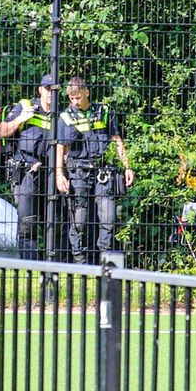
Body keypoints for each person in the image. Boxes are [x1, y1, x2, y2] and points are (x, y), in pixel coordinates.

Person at [56, 76, 133, 263]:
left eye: (78, 97)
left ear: (87, 92)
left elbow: (117, 140)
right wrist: (60, 174)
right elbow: (61, 147)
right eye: (72, 98)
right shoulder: (65, 117)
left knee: (108, 217)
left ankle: (106, 262)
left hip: (103, 171)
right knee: (79, 220)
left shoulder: (104, 111)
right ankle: (79, 262)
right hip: (78, 173)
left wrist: (128, 167)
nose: (75, 102)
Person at [0, 75, 55, 260]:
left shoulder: (61, 112)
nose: (50, 94)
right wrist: (21, 118)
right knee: (27, 223)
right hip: (26, 171)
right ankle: (30, 265)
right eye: (47, 89)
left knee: (54, 221)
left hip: (51, 171)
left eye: (54, 89)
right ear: (40, 89)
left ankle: (54, 263)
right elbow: (2, 130)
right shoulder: (26, 106)